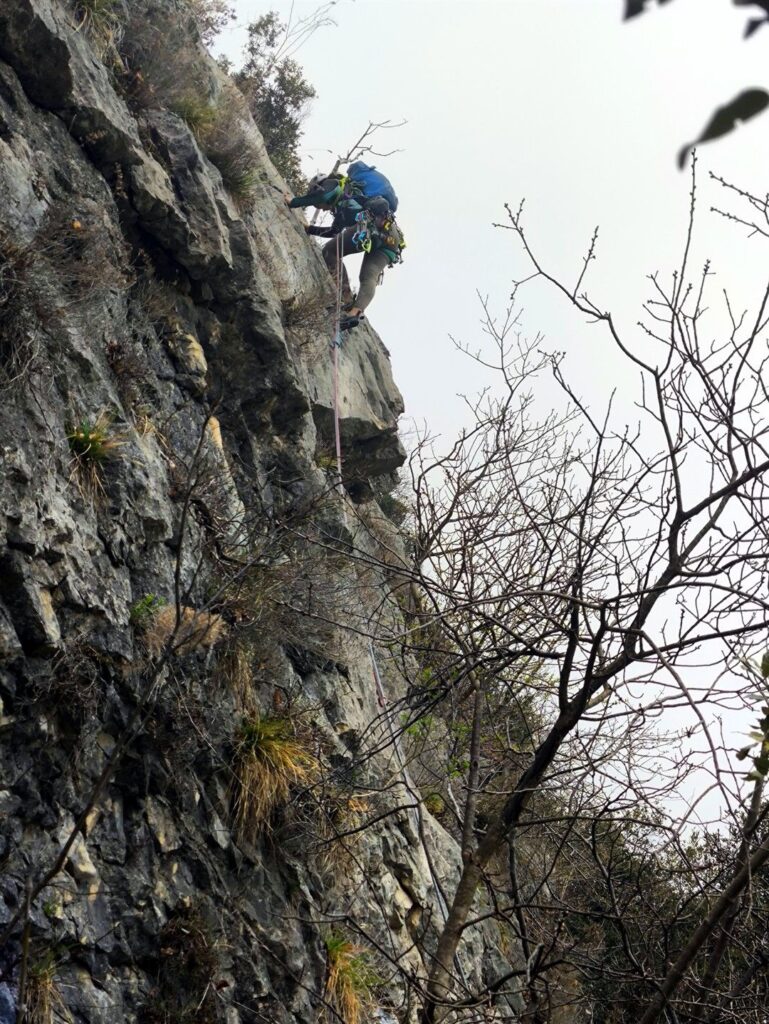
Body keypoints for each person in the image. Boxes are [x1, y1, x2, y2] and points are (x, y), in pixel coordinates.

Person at [286, 177, 404, 331]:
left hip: (367, 225)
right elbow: (333, 231)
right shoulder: (346, 204)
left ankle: (346, 298)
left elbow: (322, 196)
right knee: (369, 275)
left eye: (318, 205)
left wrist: (293, 202)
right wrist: (310, 229)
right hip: (391, 239)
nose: (320, 208)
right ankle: (354, 313)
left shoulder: (336, 191)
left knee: (329, 251)